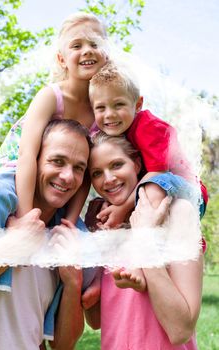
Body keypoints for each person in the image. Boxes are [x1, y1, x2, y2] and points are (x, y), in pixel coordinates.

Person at [0, 119, 91, 350]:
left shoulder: (64, 239)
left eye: (78, 168)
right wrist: (10, 249)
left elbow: (63, 345)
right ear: (33, 160)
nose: (68, 176)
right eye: (57, 161)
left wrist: (73, 283)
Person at [88, 61, 207, 289]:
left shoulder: (148, 127)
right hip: (165, 190)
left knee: (150, 185)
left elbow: (157, 173)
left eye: (119, 104)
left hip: (189, 191)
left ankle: (138, 261)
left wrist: (122, 209)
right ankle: (102, 278)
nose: (109, 114)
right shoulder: (119, 130)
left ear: (138, 104)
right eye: (101, 108)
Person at [84, 132, 204, 349]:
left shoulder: (179, 212)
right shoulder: (103, 224)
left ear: (137, 164)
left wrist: (145, 240)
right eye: (97, 173)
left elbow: (180, 330)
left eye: (117, 164)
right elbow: (95, 321)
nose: (108, 179)